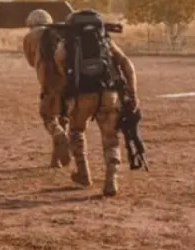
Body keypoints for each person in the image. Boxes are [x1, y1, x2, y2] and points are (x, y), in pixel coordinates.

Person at [50, 10, 138, 197]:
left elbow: (60, 66)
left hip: (83, 95)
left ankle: (83, 172)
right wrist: (133, 92)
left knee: (76, 131)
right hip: (109, 93)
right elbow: (127, 64)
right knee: (111, 138)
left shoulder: (67, 43)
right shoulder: (105, 42)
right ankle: (111, 179)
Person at [22, 9, 70, 168]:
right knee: (64, 116)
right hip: (68, 81)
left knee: (48, 117)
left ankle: (58, 133)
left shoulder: (30, 37)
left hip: (49, 83)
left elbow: (30, 61)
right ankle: (55, 160)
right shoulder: (59, 33)